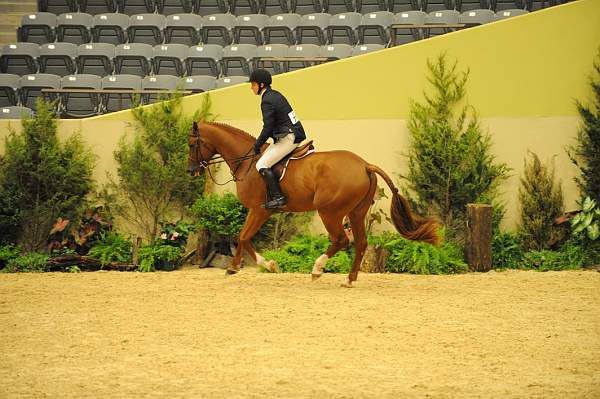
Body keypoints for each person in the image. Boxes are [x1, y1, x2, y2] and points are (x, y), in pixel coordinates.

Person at [249, 69, 306, 209]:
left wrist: (257, 144)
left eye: (253, 84)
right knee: (265, 158)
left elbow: (268, 127)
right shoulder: (274, 95)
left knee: (261, 165)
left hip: (289, 137)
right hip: (290, 133)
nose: (251, 87)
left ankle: (279, 197)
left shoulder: (266, 100)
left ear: (261, 85)